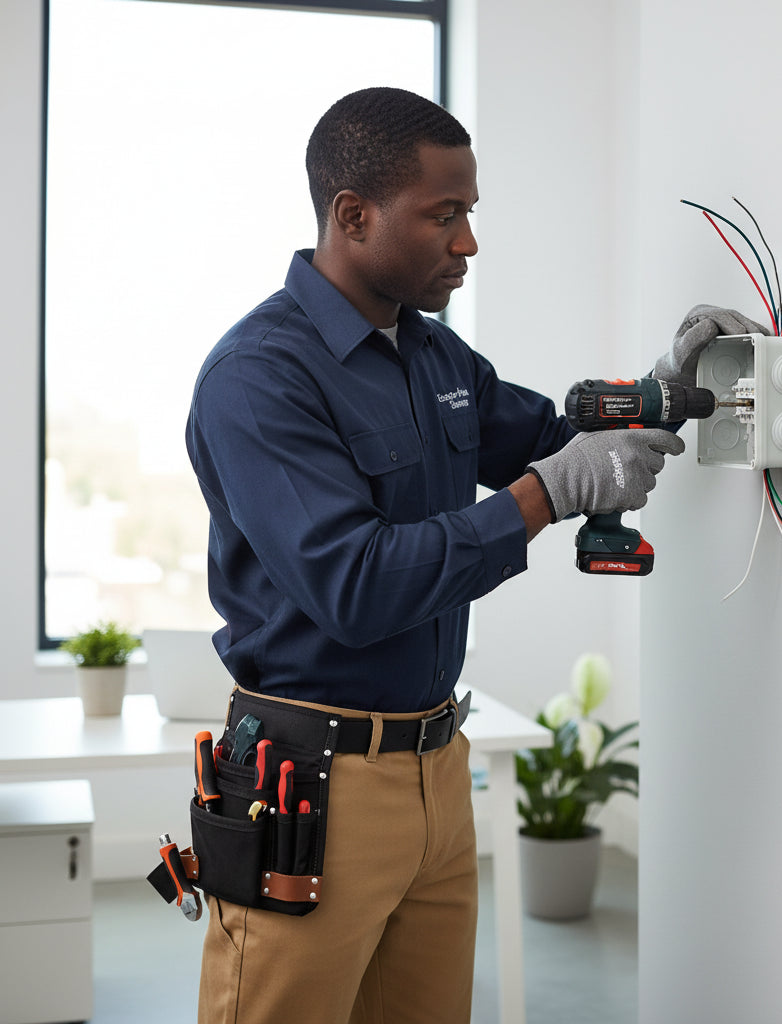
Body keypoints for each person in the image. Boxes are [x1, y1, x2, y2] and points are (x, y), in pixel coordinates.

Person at [185, 86, 686, 1024]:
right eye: (444, 215)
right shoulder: (258, 378)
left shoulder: (436, 357)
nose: (468, 242)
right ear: (353, 215)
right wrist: (546, 497)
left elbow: (552, 437)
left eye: (470, 214)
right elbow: (358, 585)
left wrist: (658, 395)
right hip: (311, 788)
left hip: (439, 774)